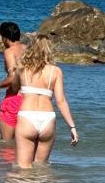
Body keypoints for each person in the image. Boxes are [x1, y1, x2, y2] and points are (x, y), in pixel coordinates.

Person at [14, 35, 78, 168]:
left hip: (27, 117)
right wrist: (72, 126)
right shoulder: (56, 71)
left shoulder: (21, 68)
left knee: (23, 169)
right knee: (41, 168)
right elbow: (61, 101)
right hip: (47, 119)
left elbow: (15, 88)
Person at [0, 21, 26, 141]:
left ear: (6, 37)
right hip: (28, 100)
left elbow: (12, 77)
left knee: (6, 144)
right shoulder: (28, 49)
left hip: (13, 99)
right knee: (23, 144)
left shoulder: (9, 51)